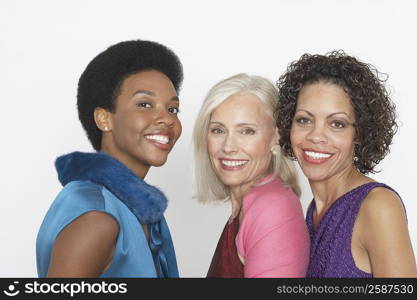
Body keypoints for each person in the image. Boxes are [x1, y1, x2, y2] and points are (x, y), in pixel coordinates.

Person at [36, 40, 183, 277]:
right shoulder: (97, 218)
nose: (166, 119)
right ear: (104, 119)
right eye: (145, 104)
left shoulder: (135, 208)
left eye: (172, 109)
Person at [276, 50, 417, 277]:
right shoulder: (313, 212)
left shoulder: (378, 206)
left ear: (360, 133)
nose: (316, 136)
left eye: (337, 124)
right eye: (304, 120)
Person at [193, 73, 310, 278]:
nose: (228, 147)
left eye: (246, 131)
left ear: (275, 138)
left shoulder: (273, 207)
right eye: (218, 130)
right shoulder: (249, 204)